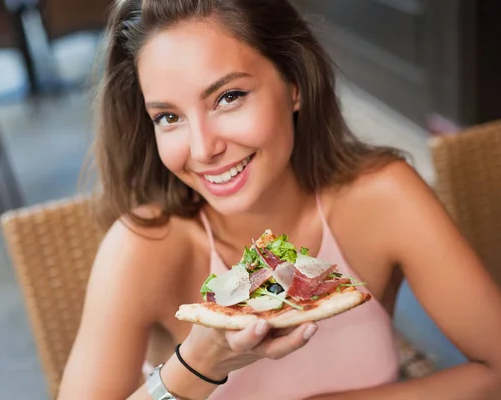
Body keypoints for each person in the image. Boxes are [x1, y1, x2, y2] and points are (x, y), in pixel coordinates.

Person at [58, 0, 501, 399]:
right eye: (168, 116)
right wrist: (198, 365)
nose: (201, 148)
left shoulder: (383, 197)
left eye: (228, 97)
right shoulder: (142, 246)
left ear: (295, 84)